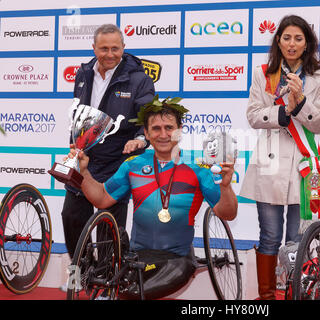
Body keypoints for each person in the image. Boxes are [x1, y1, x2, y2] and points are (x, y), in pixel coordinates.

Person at [66, 97, 238, 299]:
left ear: (180, 130)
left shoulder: (198, 168)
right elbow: (102, 199)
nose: (163, 134)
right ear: (146, 133)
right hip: (137, 257)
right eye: (156, 128)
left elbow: (228, 213)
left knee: (134, 293)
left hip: (178, 259)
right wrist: (84, 173)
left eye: (169, 127)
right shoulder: (133, 165)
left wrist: (225, 187)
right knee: (121, 288)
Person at [239, 15, 320, 300]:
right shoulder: (262, 73)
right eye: (287, 37)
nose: (292, 44)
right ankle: (266, 296)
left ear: (307, 44)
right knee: (269, 235)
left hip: (304, 163)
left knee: (297, 240)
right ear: (278, 40)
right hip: (270, 160)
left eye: (298, 39)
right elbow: (253, 116)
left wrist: (301, 101)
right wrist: (281, 112)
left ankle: (295, 294)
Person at [61, 24, 155, 263]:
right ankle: (83, 272)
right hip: (84, 160)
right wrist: (73, 146)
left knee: (109, 226)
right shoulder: (83, 74)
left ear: (124, 47)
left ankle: (106, 282)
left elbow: (149, 118)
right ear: (94, 48)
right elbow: (78, 115)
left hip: (116, 160)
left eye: (115, 48)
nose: (110, 54)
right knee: (71, 216)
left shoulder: (139, 79)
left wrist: (140, 139)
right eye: (104, 48)